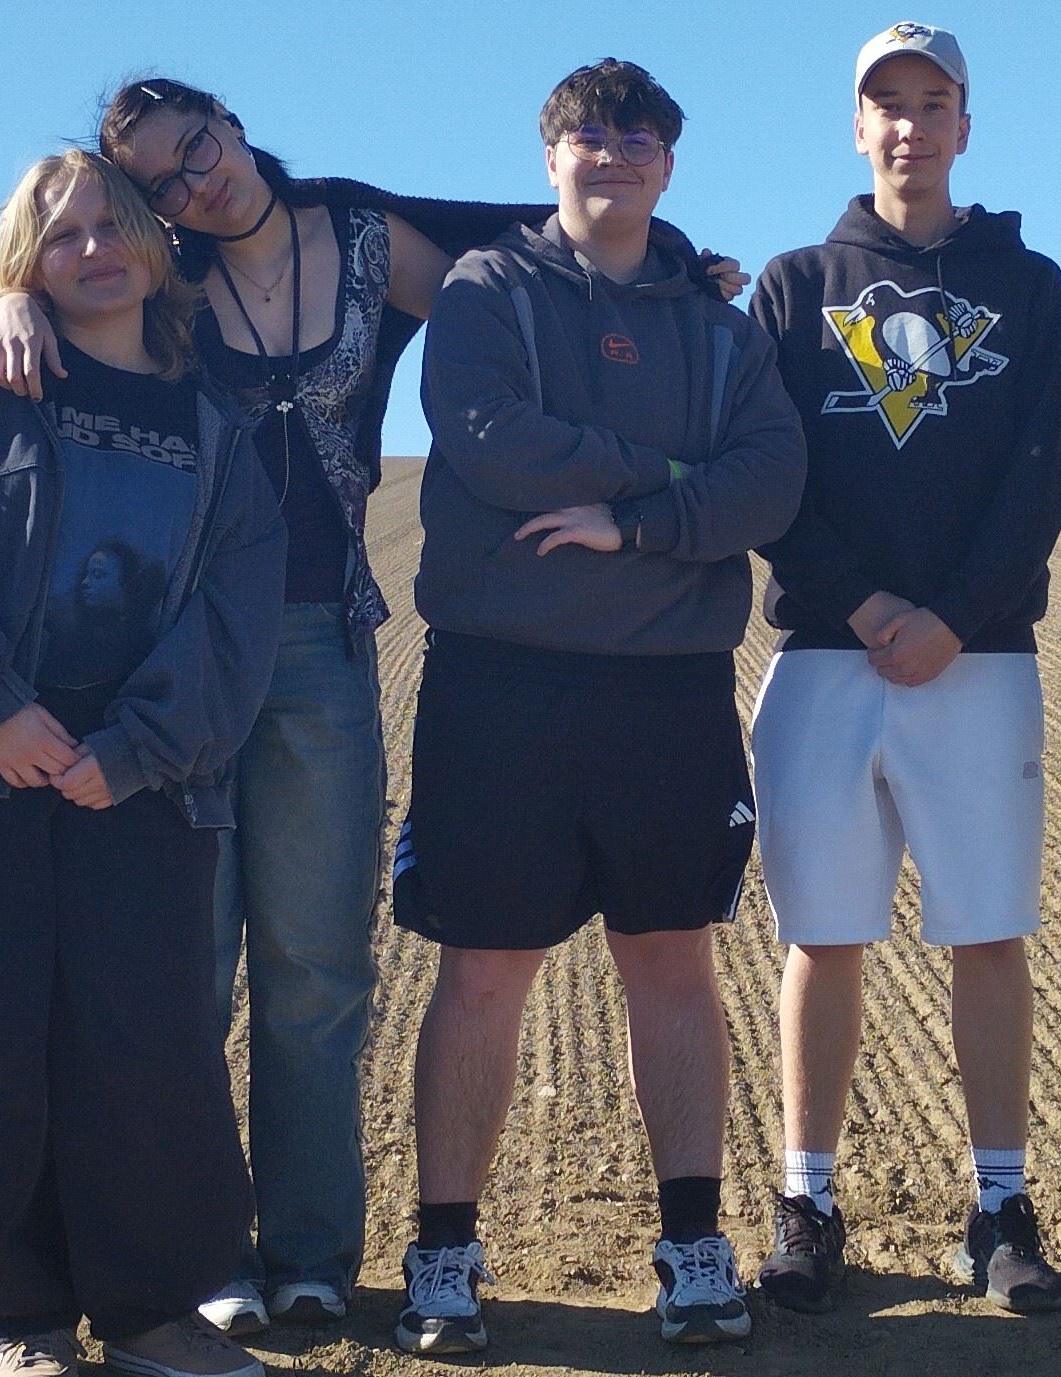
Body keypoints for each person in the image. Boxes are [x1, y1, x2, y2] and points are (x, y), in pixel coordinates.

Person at [0, 79, 747, 1337]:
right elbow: (59, 282)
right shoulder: (163, 282)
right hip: (168, 650)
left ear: (231, 124)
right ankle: (196, 1251)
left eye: (198, 148)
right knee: (176, 970)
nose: (194, 183)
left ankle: (314, 1253)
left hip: (317, 642)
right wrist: (4, 298)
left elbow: (539, 242)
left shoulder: (372, 241)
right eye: (161, 183)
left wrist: (677, 264)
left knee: (318, 972)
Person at [0, 148, 285, 1377]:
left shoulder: (213, 429)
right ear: (26, 261)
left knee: (146, 1053)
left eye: (112, 224)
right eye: (63, 232)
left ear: (154, 244)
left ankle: (149, 1314)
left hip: (133, 780)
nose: (93, 249)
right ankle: (24, 1327)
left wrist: (136, 748)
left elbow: (237, 613)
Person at [390, 57, 806, 1356]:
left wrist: (636, 521)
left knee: (673, 961)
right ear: (550, 155)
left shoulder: (722, 331)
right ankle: (445, 1250)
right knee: (482, 969)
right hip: (501, 684)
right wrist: (678, 475)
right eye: (589, 135)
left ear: (668, 166)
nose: (613, 154)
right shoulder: (486, 292)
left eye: (638, 138)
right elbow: (489, 437)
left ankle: (694, 1248)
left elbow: (773, 481)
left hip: (668, 693)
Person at [745, 21, 1061, 1318]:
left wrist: (952, 612)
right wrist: (867, 600)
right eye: (886, 103)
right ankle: (808, 1204)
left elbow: (1045, 467)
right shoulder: (795, 286)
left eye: (932, 102)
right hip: (826, 657)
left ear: (964, 125)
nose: (908, 124)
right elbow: (769, 468)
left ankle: (1000, 1207)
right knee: (821, 938)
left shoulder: (1030, 285)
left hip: (978, 661)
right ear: (857, 125)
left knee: (988, 932)